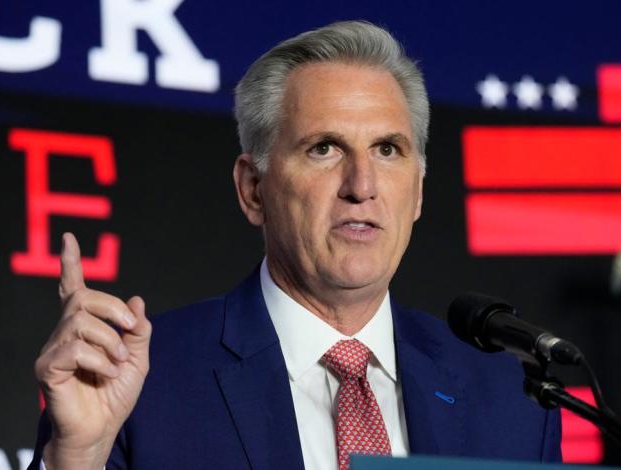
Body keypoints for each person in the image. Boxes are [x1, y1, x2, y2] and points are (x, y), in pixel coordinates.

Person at [29, 21, 561, 470]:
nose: (362, 185)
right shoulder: (143, 382)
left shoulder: (511, 399)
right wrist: (77, 456)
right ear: (253, 189)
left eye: (387, 149)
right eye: (324, 148)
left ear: (418, 191)